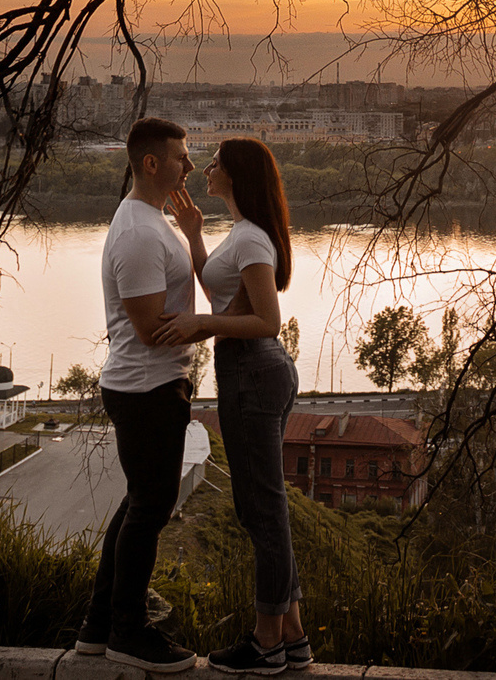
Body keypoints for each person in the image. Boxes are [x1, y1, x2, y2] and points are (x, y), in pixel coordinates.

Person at [168, 137, 309, 674]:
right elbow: (220, 293)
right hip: (249, 371)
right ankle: (292, 636)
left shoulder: (251, 241)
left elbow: (265, 320)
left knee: (264, 513)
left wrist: (201, 325)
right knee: (260, 509)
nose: (207, 168)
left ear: (237, 174)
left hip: (253, 368)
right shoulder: (244, 233)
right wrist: (195, 237)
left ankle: (265, 642)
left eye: (217, 163)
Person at [76, 115, 203, 673]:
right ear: (151, 163)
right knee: (150, 508)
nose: (190, 165)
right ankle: (130, 632)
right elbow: (152, 329)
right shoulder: (136, 232)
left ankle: (97, 628)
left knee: (138, 504)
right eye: (181, 156)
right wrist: (234, 321)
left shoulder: (154, 220)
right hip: (146, 388)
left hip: (154, 385)